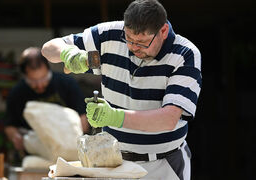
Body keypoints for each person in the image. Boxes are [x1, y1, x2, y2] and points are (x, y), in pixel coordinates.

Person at [41, 0, 202, 179]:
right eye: (129, 40)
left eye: (142, 43)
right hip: (112, 161)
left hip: (163, 164)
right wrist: (69, 54)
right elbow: (48, 48)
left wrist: (114, 117)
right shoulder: (110, 34)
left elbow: (168, 119)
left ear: (163, 31)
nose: (133, 48)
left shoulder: (185, 54)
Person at [4, 47, 89, 155]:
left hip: (69, 148)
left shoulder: (66, 84)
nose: (39, 85)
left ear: (49, 69)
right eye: (33, 81)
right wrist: (16, 138)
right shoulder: (17, 93)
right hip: (36, 153)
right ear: (25, 76)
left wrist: (77, 138)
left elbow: (83, 118)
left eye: (44, 79)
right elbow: (10, 125)